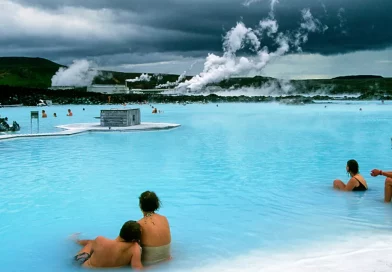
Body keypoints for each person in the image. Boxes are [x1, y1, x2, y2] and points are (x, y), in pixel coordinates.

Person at [73, 220, 143, 269]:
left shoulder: (100, 240)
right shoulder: (134, 249)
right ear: (134, 240)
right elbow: (137, 268)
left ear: (121, 230)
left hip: (82, 267)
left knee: (90, 243)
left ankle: (75, 240)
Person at [137, 191, 171, 266]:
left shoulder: (140, 224)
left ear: (140, 205)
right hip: (166, 258)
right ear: (156, 204)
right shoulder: (164, 219)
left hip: (149, 262)